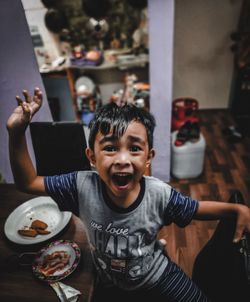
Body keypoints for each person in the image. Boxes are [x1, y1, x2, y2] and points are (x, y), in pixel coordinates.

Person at [6, 88, 250, 302]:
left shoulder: (159, 194)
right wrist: (17, 134)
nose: (122, 160)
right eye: (110, 148)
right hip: (108, 277)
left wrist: (235, 209)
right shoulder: (79, 185)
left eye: (134, 148)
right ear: (92, 157)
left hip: (155, 274)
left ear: (148, 158)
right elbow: (27, 182)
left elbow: (196, 208)